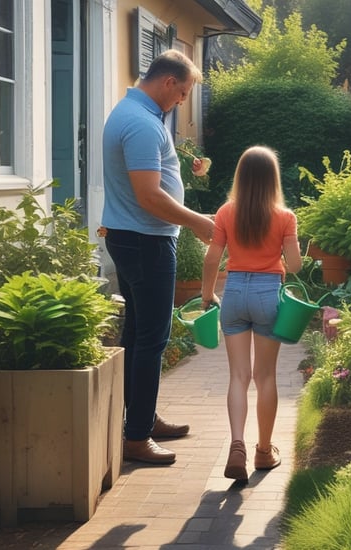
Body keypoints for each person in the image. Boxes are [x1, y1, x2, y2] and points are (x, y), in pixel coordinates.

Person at [101, 49, 215, 465]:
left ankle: (141, 420)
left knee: (136, 335)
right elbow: (149, 196)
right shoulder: (141, 123)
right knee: (152, 338)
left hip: (133, 237)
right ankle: (136, 438)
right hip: (146, 240)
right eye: (183, 92)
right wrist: (198, 223)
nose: (183, 101)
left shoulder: (135, 114)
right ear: (168, 82)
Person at [200, 146, 303, 481]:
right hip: (267, 294)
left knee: (238, 377)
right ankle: (263, 450)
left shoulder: (227, 212)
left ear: (240, 177)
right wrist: (288, 248)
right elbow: (297, 265)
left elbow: (212, 257)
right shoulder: (285, 217)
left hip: (233, 294)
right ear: (273, 179)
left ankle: (237, 445)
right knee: (265, 377)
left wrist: (206, 293)